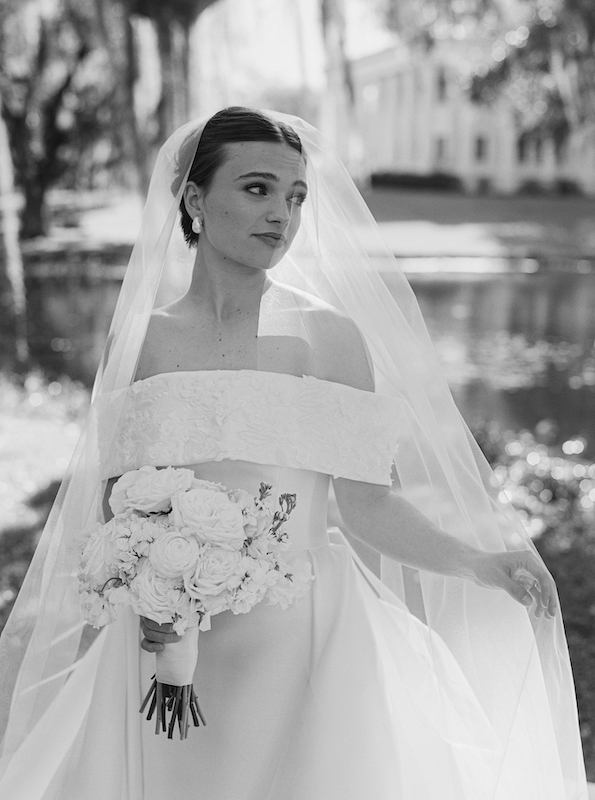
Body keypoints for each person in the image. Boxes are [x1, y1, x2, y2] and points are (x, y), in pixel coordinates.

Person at [0, 107, 587, 799]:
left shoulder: (327, 338)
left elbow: (367, 504)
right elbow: (116, 502)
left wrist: (477, 562)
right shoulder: (144, 342)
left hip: (302, 635)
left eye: (295, 195)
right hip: (164, 639)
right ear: (193, 198)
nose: (281, 213)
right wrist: (143, 584)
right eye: (256, 189)